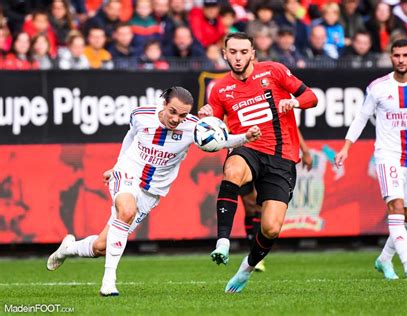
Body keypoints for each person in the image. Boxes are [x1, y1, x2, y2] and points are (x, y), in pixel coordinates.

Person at [46, 86, 262, 296]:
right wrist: (116, 166)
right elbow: (130, 136)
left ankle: (68, 248)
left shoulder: (194, 127)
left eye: (183, 115)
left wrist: (245, 137)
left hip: (152, 192)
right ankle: (108, 282)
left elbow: (221, 141)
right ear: (164, 104)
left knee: (102, 246)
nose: (177, 119)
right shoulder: (141, 115)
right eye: (173, 112)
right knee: (126, 210)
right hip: (128, 172)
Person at [198, 32, 318, 293]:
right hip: (247, 148)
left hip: (281, 156)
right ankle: (222, 242)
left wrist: (294, 101)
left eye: (243, 52)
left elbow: (312, 97)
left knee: (272, 228)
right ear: (224, 54)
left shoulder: (274, 71)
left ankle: (247, 267)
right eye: (233, 52)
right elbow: (214, 134)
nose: (238, 57)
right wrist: (206, 116)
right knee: (232, 169)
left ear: (253, 53)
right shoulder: (219, 89)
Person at [335, 39, 407, 280]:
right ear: (391, 57)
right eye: (397, 55)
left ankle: (384, 259)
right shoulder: (378, 87)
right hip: (387, 155)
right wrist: (345, 148)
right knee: (394, 207)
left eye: (406, 55)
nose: (401, 59)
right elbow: (361, 118)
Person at [240, 129, 313, 272]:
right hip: (242, 153)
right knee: (249, 205)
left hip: (267, 155)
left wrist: (305, 151)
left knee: (258, 205)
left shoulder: (274, 107)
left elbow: (291, 125)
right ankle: (252, 250)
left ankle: (256, 256)